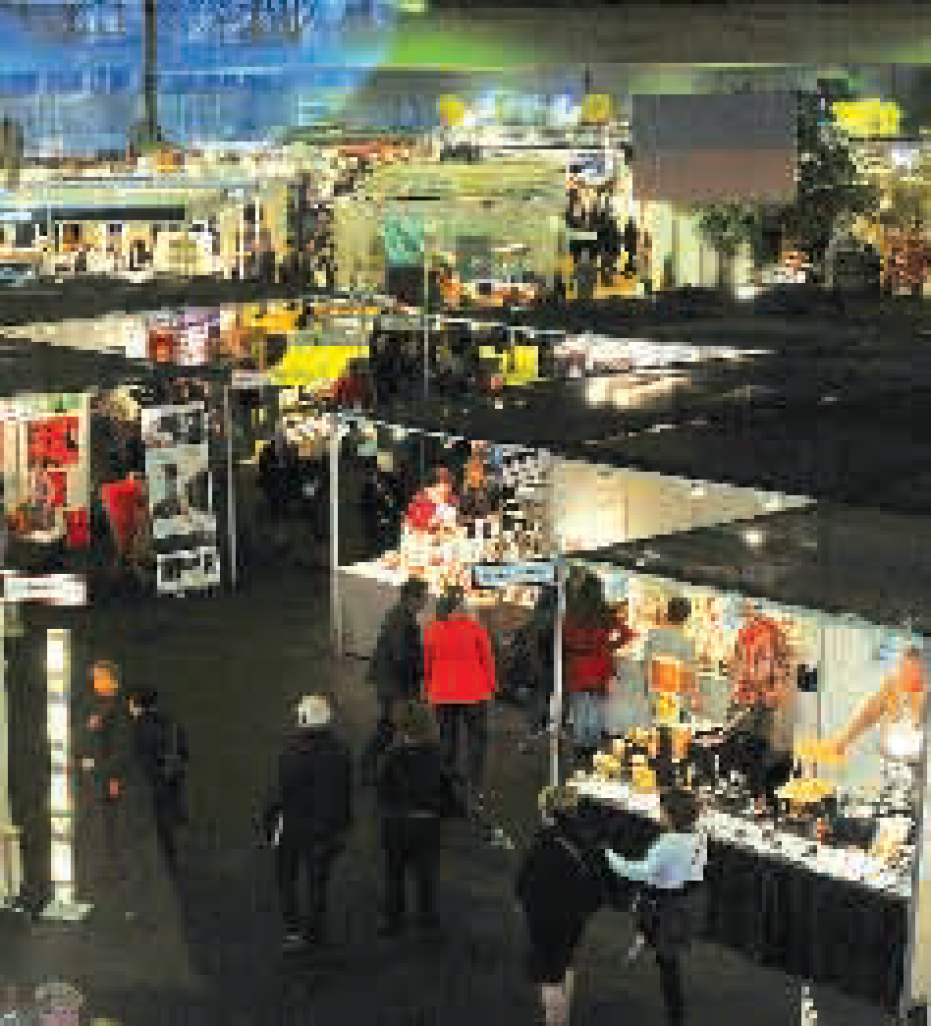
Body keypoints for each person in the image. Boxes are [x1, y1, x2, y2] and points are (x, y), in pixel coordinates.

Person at [606, 788, 707, 1026]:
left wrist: (609, 857)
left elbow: (639, 871)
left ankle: (676, 1015)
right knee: (655, 922)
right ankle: (645, 937)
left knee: (667, 962)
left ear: (671, 816)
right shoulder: (700, 835)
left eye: (662, 809)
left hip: (668, 905)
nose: (659, 813)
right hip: (689, 898)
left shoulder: (668, 844)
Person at [516, 785, 609, 1026]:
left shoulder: (545, 842)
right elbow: (599, 884)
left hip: (547, 918)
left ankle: (555, 1021)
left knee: (548, 974)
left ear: (548, 811)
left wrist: (524, 902)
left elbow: (527, 881)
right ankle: (562, 1017)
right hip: (575, 918)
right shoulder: (587, 840)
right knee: (566, 961)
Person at [265, 695, 353, 949]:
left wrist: (270, 823)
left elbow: (281, 793)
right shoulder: (342, 751)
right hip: (327, 830)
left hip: (294, 828)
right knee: (318, 883)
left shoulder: (291, 752)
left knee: (286, 879)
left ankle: (293, 929)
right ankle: (315, 930)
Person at [376, 700, 456, 936]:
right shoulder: (436, 756)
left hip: (397, 824)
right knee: (426, 875)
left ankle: (394, 918)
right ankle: (427, 918)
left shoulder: (391, 757)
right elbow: (447, 792)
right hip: (427, 824)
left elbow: (382, 792)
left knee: (394, 874)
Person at [424, 585, 496, 808]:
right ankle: (475, 791)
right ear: (458, 607)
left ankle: (445, 788)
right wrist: (491, 687)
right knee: (476, 741)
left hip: (442, 693)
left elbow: (428, 663)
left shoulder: (432, 629)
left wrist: (429, 688)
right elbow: (487, 659)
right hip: (474, 693)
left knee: (447, 740)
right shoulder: (475, 628)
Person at [829, 645, 926, 797]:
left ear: (923, 671)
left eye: (911, 670)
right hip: (891, 768)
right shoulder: (892, 684)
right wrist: (844, 740)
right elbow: (868, 714)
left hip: (921, 773)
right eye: (901, 667)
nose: (903, 675)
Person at [360, 578, 430, 786]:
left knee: (391, 726)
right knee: (393, 726)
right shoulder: (402, 619)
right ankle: (371, 767)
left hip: (391, 681)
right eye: (423, 597)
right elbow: (401, 656)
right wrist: (420, 670)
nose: (425, 601)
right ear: (412, 598)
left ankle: (373, 767)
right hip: (394, 683)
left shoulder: (401, 615)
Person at [77, 661, 131, 905]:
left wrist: (111, 776)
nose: (95, 683)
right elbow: (84, 737)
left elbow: (121, 750)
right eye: (94, 678)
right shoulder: (95, 706)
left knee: (113, 834)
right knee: (97, 834)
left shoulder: (120, 709)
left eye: (100, 678)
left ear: (112, 680)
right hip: (93, 782)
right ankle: (100, 884)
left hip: (108, 782)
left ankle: (117, 887)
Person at [127, 689, 189, 878]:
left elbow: (135, 762)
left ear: (136, 704)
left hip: (146, 789)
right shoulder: (171, 724)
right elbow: (184, 756)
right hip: (167, 788)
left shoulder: (138, 727)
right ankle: (168, 872)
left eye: (130, 703)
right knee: (164, 835)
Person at [564, 572, 617, 765]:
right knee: (595, 707)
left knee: (580, 707)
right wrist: (610, 646)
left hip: (579, 664)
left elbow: (567, 639)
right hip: (600, 664)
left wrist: (579, 647)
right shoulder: (606, 613)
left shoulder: (574, 612)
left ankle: (579, 750)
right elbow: (628, 633)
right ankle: (592, 750)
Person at [641, 597, 701, 720]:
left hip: (652, 695)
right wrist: (694, 698)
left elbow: (645, 665)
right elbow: (689, 675)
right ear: (686, 618)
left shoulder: (653, 634)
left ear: (667, 613)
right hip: (674, 700)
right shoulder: (687, 642)